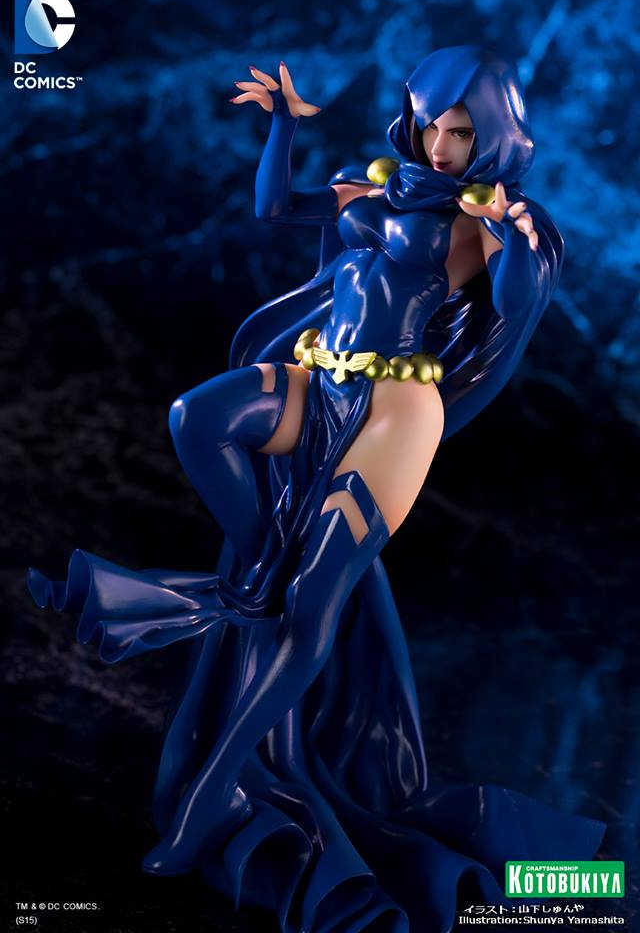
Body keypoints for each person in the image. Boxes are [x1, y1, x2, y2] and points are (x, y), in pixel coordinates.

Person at [29, 46, 605, 932]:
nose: (442, 146)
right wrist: (281, 128)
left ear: (491, 134)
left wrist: (520, 234)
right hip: (321, 378)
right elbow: (275, 207)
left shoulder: (482, 217)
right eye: (432, 125)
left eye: (462, 133)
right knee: (197, 419)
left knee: (308, 605)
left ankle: (208, 797)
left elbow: (520, 300)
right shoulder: (371, 185)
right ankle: (258, 565)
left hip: (396, 410)